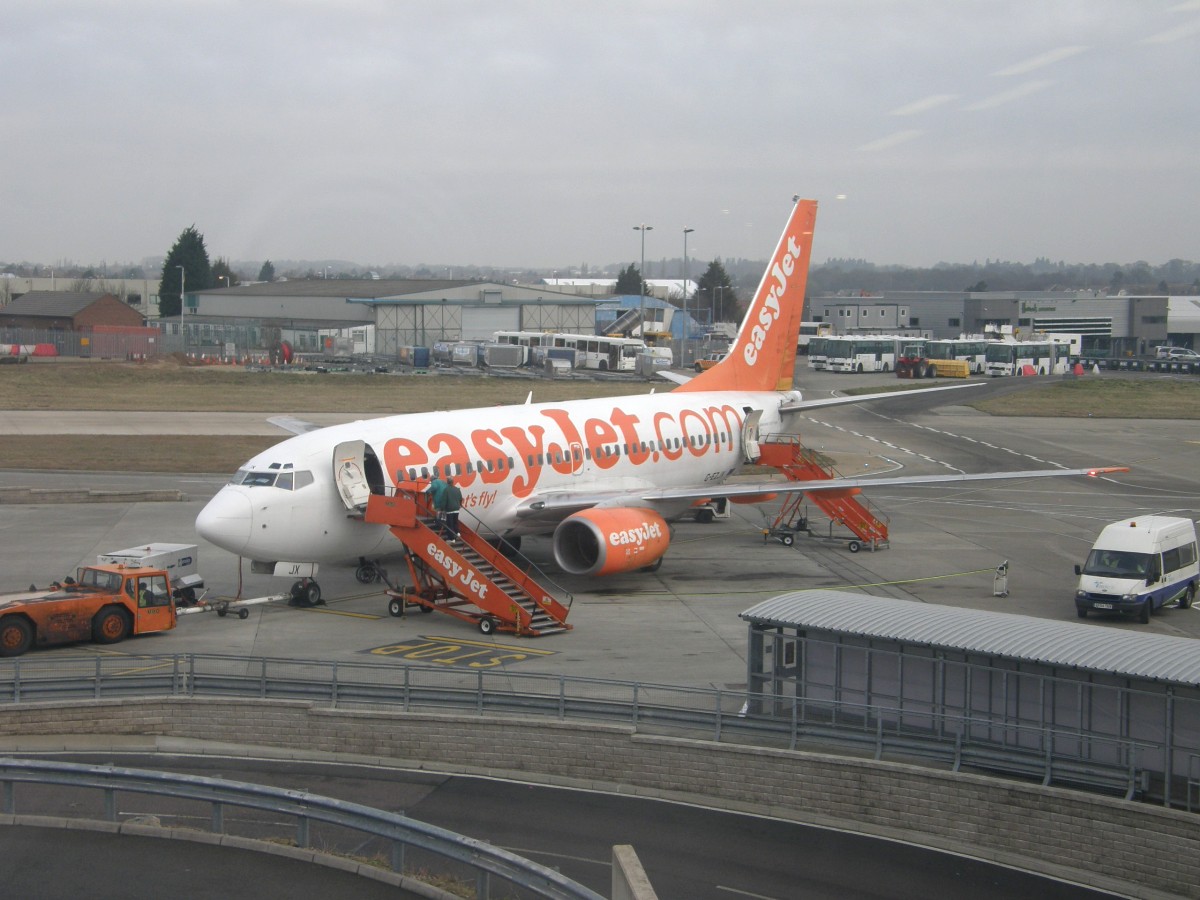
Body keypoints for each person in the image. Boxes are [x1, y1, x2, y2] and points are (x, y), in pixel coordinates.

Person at [443, 476, 463, 542]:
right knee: (455, 522)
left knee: (450, 524)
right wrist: (459, 505)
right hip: (456, 509)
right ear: (453, 482)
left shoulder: (446, 490)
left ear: (447, 482)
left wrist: (442, 508)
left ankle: (452, 539)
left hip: (449, 510)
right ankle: (457, 533)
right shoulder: (457, 489)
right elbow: (460, 499)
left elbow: (444, 500)